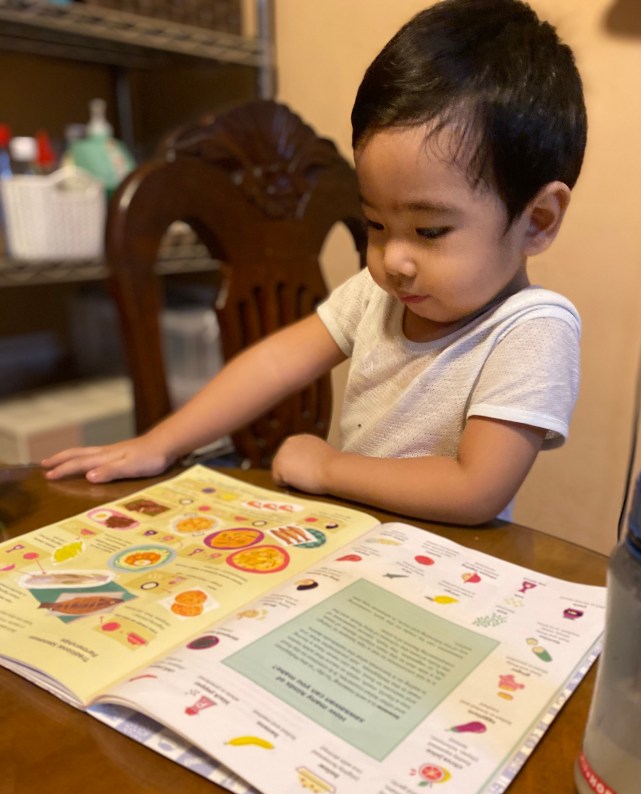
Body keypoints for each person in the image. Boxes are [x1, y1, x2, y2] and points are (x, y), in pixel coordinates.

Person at [43, 0, 588, 526]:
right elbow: (273, 363)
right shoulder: (378, 297)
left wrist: (329, 467)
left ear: (537, 220)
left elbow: (475, 490)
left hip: (445, 580)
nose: (394, 259)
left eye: (429, 231)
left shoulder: (532, 329)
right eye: (376, 224)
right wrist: (158, 443)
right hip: (350, 550)